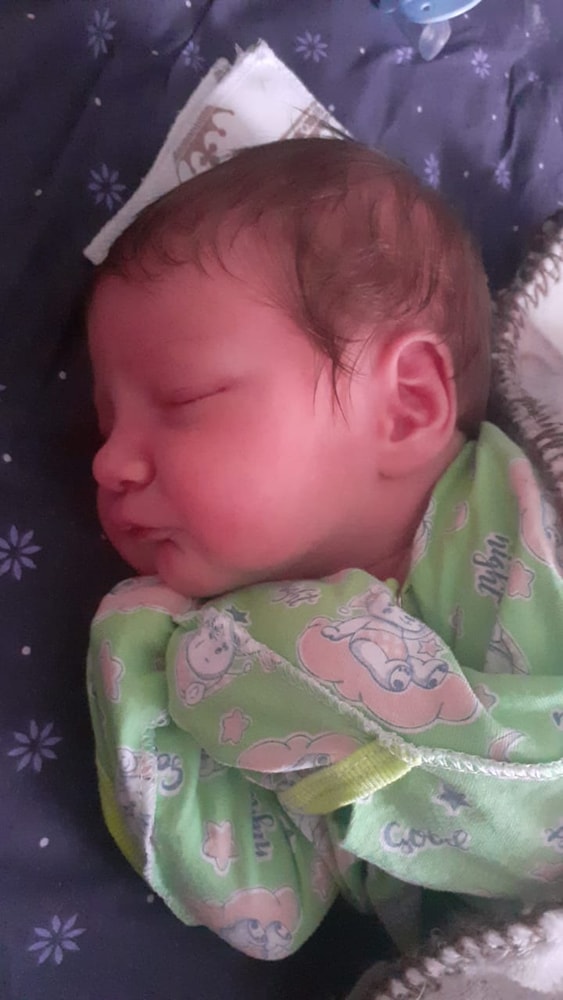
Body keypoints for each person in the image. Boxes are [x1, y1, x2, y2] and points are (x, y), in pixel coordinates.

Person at [86, 138, 563, 961]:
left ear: (406, 405)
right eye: (103, 425)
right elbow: (263, 911)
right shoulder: (237, 662)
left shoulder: (517, 509)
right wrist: (141, 661)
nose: (106, 463)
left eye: (181, 399)